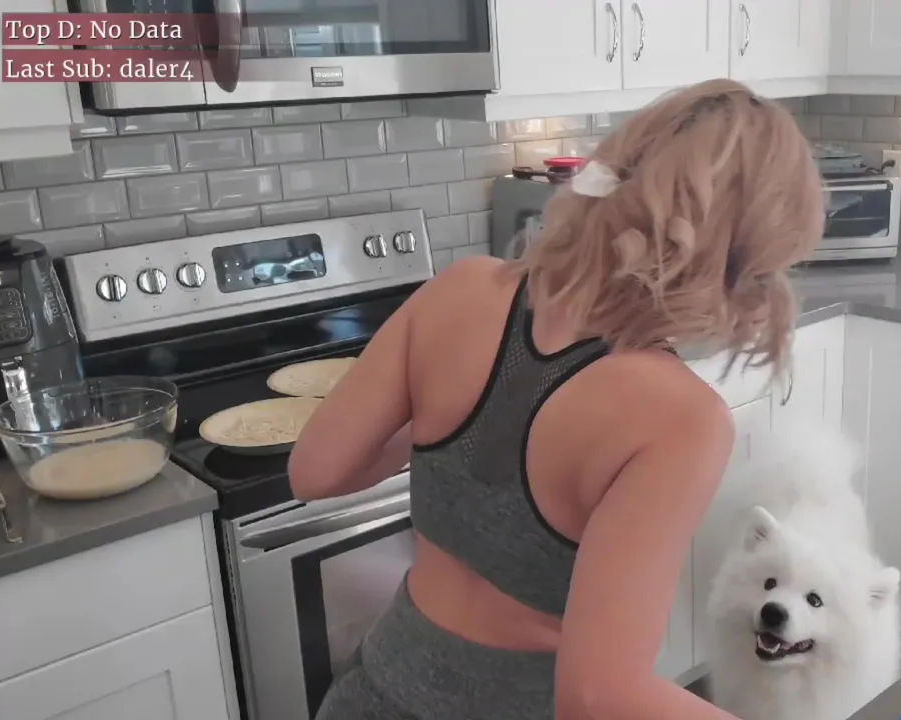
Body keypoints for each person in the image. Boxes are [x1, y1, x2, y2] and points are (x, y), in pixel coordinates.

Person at [288, 77, 824, 719]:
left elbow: (314, 471)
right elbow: (597, 697)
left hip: (371, 694)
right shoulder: (680, 419)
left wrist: (450, 416)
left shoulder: (460, 289)